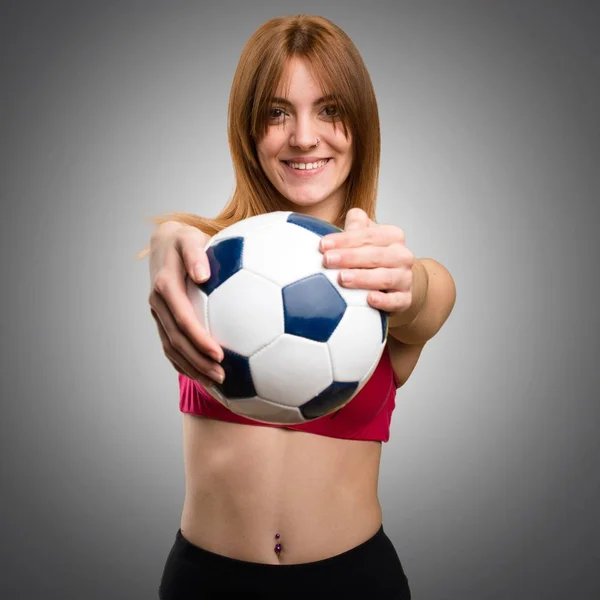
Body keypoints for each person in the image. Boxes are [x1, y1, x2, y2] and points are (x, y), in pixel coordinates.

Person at [140, 14, 456, 599]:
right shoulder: (202, 266)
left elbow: (429, 299)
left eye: (331, 109)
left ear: (361, 125)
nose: (304, 136)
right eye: (276, 113)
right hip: (207, 582)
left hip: (354, 580)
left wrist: (411, 280)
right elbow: (171, 249)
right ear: (247, 129)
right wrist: (168, 239)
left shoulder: (385, 277)